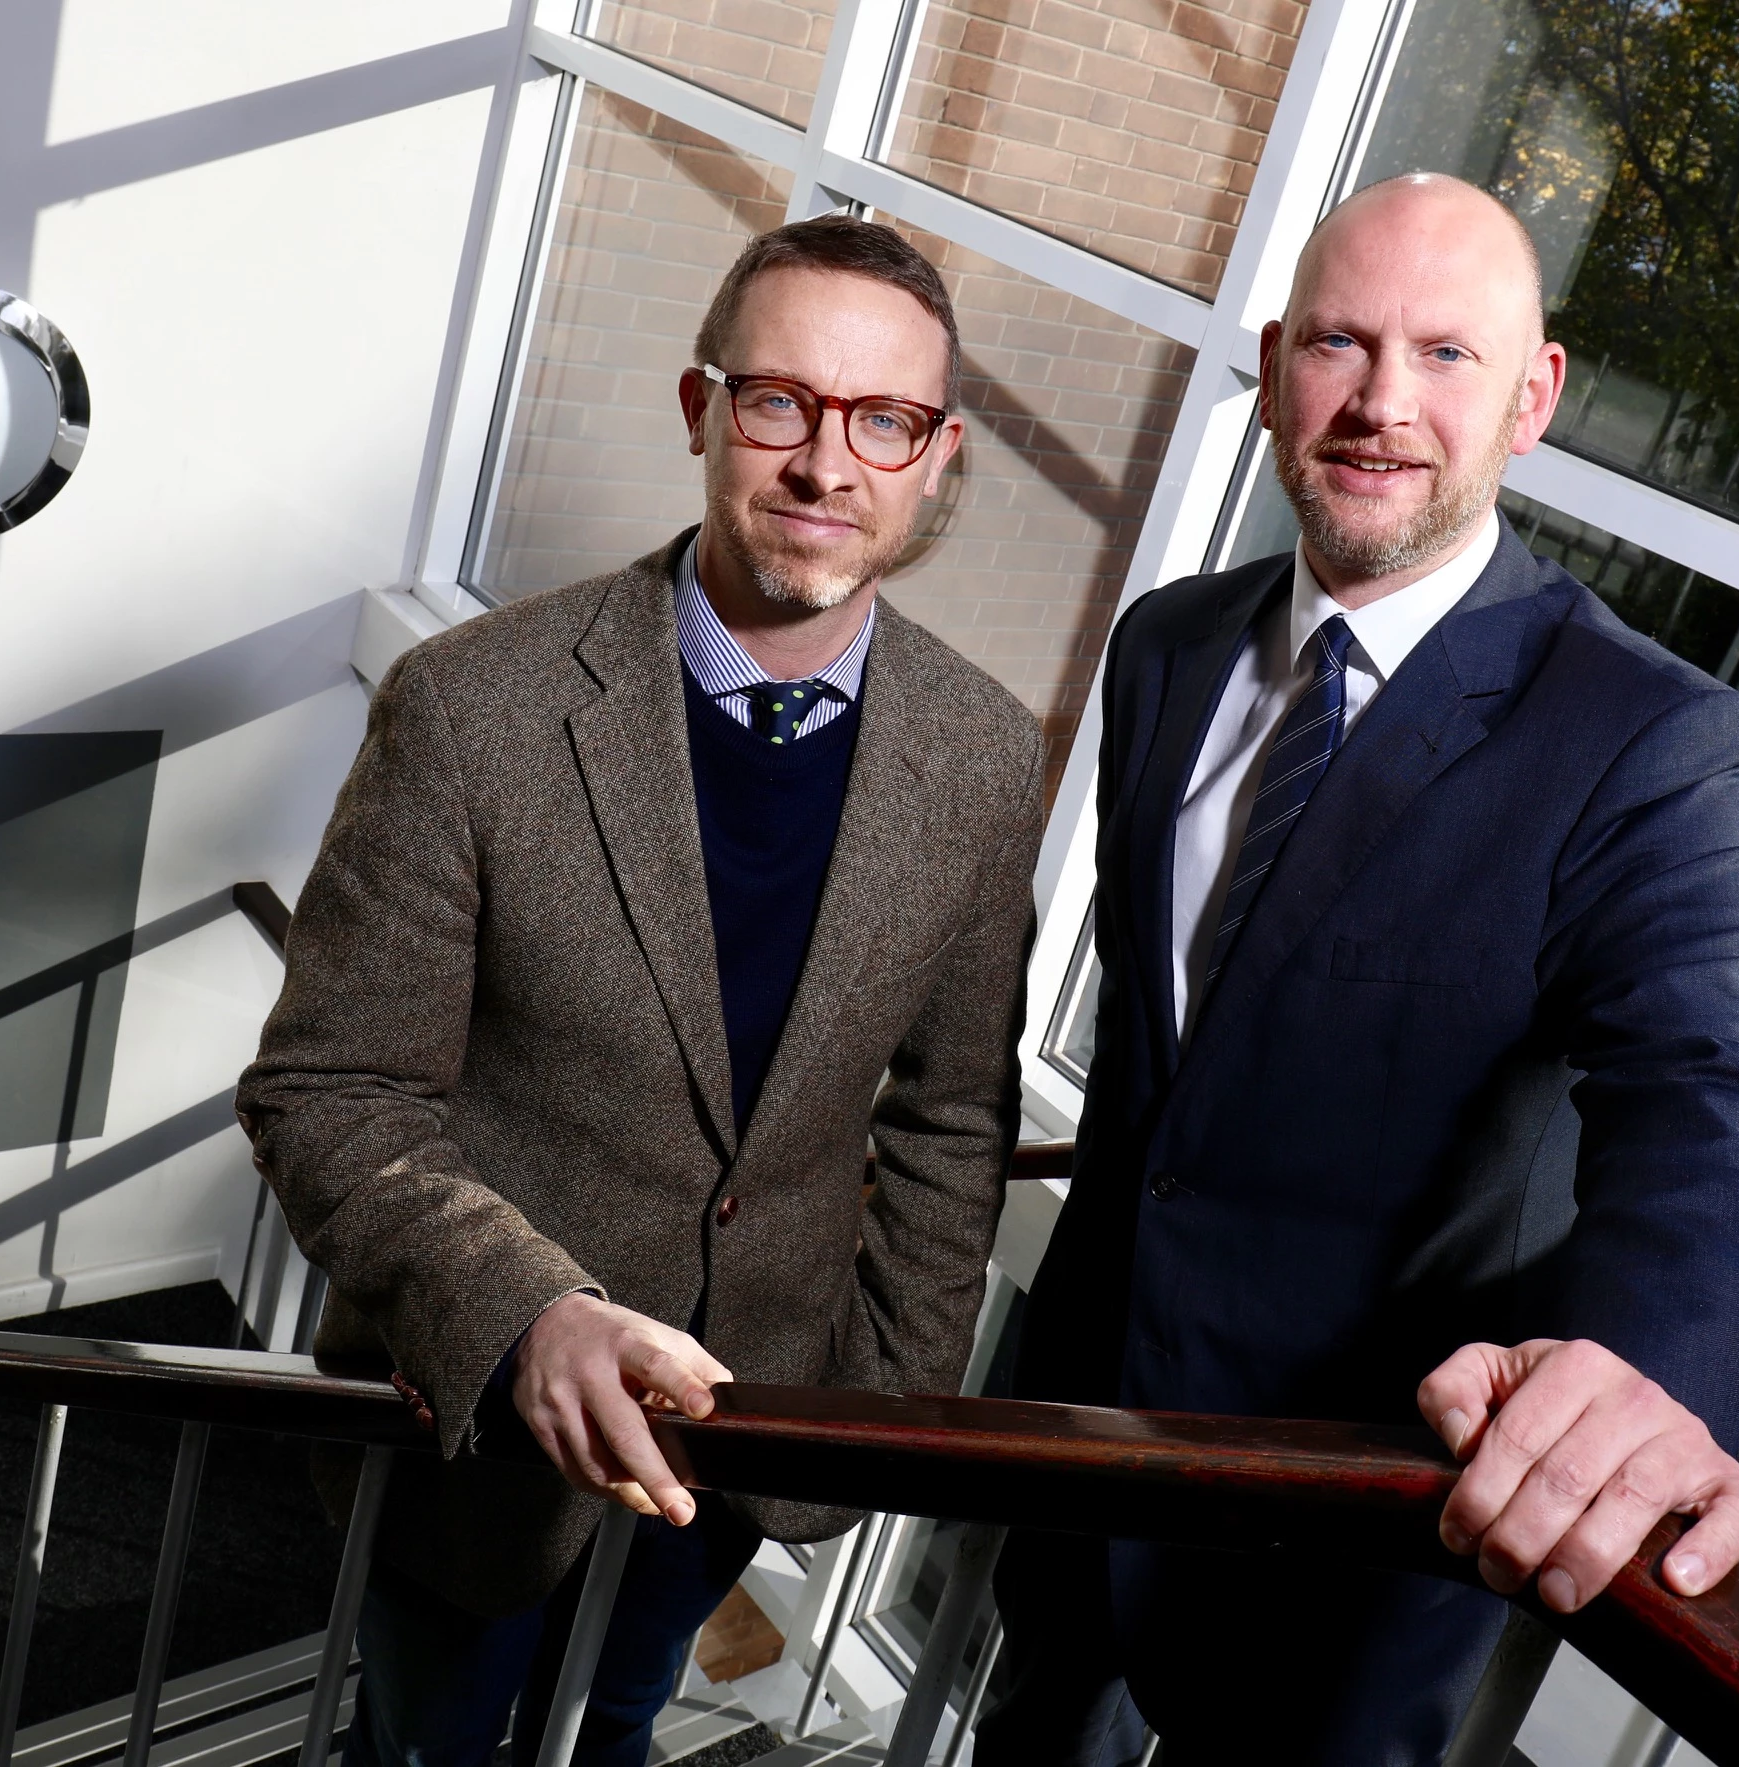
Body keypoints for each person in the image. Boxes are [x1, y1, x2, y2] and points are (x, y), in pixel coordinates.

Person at [982, 174, 1739, 1764]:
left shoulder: (1642, 736)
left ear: (1534, 396)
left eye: (1444, 354)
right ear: (1280, 361)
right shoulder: (1167, 643)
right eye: (1339, 346)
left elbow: (1702, 1086)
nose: (1379, 405)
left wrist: (1648, 1368)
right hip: (1081, 1430)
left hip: (1352, 1529)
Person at [236, 215, 1043, 1767]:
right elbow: (332, 1089)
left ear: (935, 457)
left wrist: (878, 1400)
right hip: (473, 1423)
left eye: (885, 421)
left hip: (756, 1424)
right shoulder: (478, 708)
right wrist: (523, 1309)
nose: (827, 463)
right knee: (428, 1738)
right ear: (700, 411)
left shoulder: (985, 755)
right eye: (779, 403)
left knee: (620, 1719)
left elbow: (953, 1123)